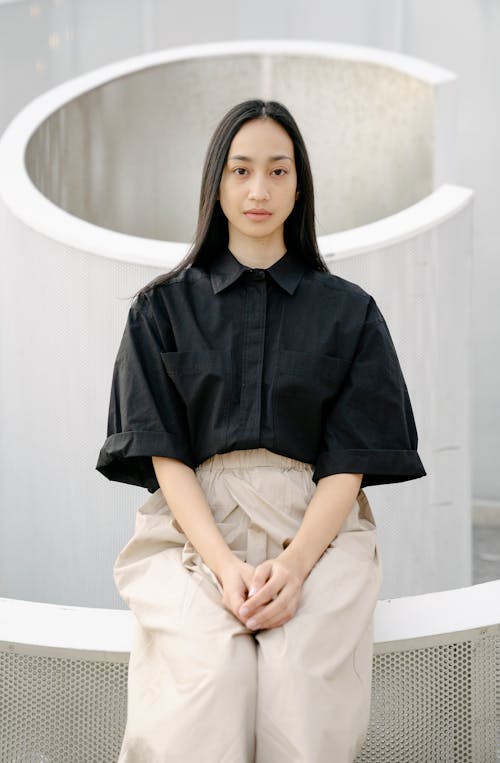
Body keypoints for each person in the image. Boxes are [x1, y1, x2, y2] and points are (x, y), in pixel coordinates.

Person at [96, 99, 426, 763]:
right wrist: (224, 567)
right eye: (241, 170)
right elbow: (165, 454)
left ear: (299, 184)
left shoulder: (350, 312)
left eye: (278, 171)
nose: (258, 190)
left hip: (317, 531)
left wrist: (297, 566)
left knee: (297, 676)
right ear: (216, 182)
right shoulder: (160, 308)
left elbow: (347, 462)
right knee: (212, 673)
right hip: (191, 529)